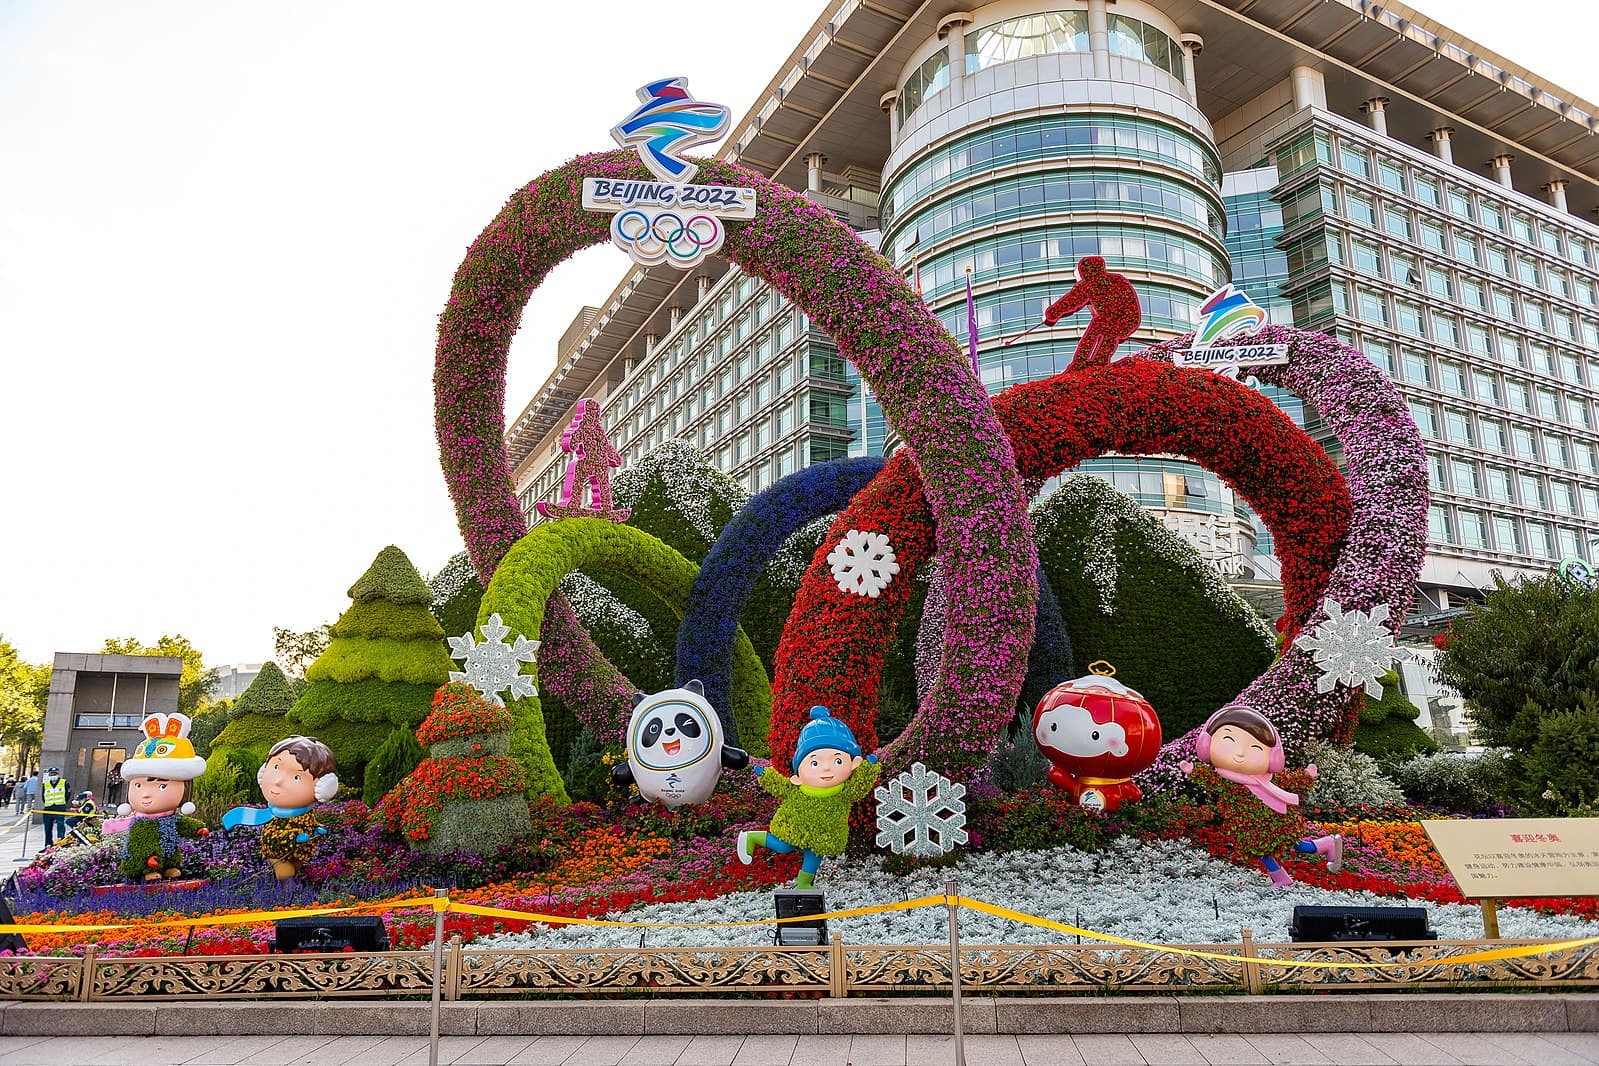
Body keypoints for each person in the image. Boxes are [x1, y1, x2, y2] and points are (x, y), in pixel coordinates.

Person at [1180, 705, 1343, 888]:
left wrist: (1306, 776)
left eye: (1255, 748)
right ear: (1206, 744)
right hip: (1252, 825)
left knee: (1287, 846)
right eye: (1228, 740)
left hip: (1277, 818)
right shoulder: (1226, 780)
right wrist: (1194, 771)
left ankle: (1318, 851)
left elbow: (1289, 780)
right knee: (1271, 849)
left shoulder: (1268, 778)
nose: (1240, 754)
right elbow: (1211, 779)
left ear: (1273, 758)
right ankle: (1322, 848)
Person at [735, 706, 881, 889]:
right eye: (815, 763)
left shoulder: (844, 792)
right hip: (796, 826)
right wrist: (765, 775)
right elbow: (781, 786)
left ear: (853, 763)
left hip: (822, 834)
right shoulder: (797, 789)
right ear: (798, 775)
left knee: (814, 855)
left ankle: (804, 884)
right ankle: (751, 837)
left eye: (837, 761)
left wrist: (869, 769)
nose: (826, 768)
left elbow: (859, 787)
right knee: (784, 846)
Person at [222, 736, 338, 882]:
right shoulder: (275, 820)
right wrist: (293, 838)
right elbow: (271, 837)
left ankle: (291, 890)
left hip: (298, 851)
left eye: (296, 777)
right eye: (276, 767)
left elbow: (309, 825)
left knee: (295, 867)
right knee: (286, 871)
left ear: (323, 788)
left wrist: (316, 831)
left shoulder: (306, 815)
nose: (278, 781)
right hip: (278, 851)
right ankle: (288, 892)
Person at [116, 714, 210, 879]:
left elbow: (182, 824)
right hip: (145, 857)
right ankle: (146, 869)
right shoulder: (143, 823)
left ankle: (169, 866)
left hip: (168, 850)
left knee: (171, 849)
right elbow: (140, 843)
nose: (146, 794)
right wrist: (149, 858)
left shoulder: (171, 817)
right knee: (142, 849)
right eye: (138, 786)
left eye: (162, 786)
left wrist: (197, 829)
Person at [1042, 255, 1142, 372]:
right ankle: (1093, 360)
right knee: (1103, 326)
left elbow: (1070, 301)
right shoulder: (1117, 279)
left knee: (1102, 325)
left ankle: (1088, 361)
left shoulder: (1089, 284)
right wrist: (1053, 313)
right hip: (1129, 319)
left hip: (1121, 319)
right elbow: (1071, 301)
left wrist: (1053, 313)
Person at [40, 768, 72, 847]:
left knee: (60, 825)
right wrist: (47, 803)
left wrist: (63, 803)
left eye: (54, 774)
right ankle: (48, 844)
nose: (53, 776)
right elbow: (43, 796)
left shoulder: (64, 782)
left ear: (58, 774)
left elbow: (67, 794)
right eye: (51, 774)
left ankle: (61, 841)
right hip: (48, 808)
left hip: (59, 807)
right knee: (47, 827)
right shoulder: (46, 784)